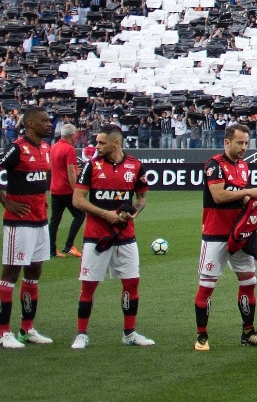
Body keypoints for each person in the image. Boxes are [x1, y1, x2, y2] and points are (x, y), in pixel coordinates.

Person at [71, 126, 154, 349]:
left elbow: (142, 198)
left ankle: (129, 333)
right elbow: (78, 200)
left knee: (131, 283)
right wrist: (106, 214)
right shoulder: (92, 165)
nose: (96, 146)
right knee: (88, 286)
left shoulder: (135, 166)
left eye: (100, 143)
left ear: (115, 143)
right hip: (96, 236)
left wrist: (133, 212)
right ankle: (81, 334)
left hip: (125, 236)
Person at [0, 106, 54, 349]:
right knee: (10, 274)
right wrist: (5, 201)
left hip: (39, 220)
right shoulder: (16, 148)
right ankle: (2, 333)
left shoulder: (45, 148)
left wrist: (42, 200)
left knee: (34, 273)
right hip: (18, 223)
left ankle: (27, 328)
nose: (49, 124)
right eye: (44, 120)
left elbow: (37, 180)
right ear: (30, 123)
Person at [196, 123, 257, 350]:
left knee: (249, 283)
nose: (243, 147)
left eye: (246, 143)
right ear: (227, 142)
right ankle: (202, 336)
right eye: (239, 143)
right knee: (207, 285)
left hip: (239, 234)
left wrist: (254, 202)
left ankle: (248, 332)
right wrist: (248, 192)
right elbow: (219, 196)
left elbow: (239, 198)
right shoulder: (214, 165)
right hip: (215, 234)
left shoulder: (243, 166)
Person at [47, 123, 85, 258]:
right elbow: (69, 171)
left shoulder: (54, 147)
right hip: (66, 189)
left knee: (55, 220)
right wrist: (76, 190)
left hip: (55, 188)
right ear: (71, 135)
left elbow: (55, 167)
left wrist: (74, 171)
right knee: (80, 215)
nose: (76, 137)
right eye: (75, 134)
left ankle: (51, 250)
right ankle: (69, 245)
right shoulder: (69, 149)